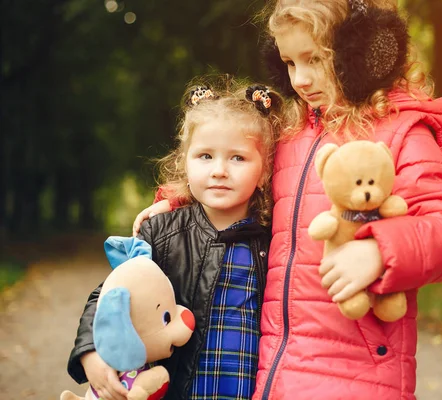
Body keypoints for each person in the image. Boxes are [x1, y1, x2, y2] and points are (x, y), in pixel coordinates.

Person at [134, 0, 442, 398]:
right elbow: (237, 178)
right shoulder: (291, 131)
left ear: (362, 51)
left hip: (358, 376)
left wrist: (379, 251)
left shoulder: (402, 132)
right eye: (289, 62)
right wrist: (177, 201)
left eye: (315, 59)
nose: (300, 79)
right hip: (275, 371)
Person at [66, 78, 283, 400]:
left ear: (265, 169)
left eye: (238, 158)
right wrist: (90, 351)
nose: (220, 170)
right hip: (177, 390)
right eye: (205, 156)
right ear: (185, 161)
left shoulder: (274, 240)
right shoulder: (163, 233)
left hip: (246, 388)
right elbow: (110, 294)